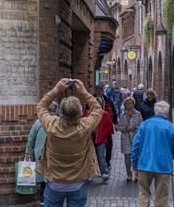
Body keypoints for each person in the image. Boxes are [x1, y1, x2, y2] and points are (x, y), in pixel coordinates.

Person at [36, 78, 102, 207]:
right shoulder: (85, 127)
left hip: (54, 183)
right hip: (77, 184)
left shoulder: (51, 126)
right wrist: (83, 91)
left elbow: (41, 106)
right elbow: (97, 109)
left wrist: (56, 90)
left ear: (61, 111)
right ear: (80, 112)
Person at [131, 100, 174, 207]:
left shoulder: (145, 124)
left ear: (155, 111)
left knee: (144, 193)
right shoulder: (170, 126)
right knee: (162, 196)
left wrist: (134, 163)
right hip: (163, 165)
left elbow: (136, 145)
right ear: (167, 113)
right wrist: (169, 156)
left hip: (144, 164)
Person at [25, 101, 60, 205]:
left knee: (43, 176)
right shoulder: (59, 122)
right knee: (52, 177)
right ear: (57, 110)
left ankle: (43, 200)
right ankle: (50, 199)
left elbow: (31, 138)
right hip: (54, 152)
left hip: (40, 152)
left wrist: (28, 152)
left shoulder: (39, 121)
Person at [116, 96, 143, 182]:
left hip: (135, 137)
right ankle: (129, 175)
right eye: (127, 103)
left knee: (136, 156)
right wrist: (125, 129)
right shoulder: (122, 115)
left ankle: (137, 174)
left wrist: (135, 128)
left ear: (133, 104)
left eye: (130, 103)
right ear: (124, 105)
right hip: (125, 138)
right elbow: (119, 127)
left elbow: (142, 126)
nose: (129, 105)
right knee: (127, 157)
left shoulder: (138, 114)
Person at [95, 84, 118, 171]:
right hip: (96, 127)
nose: (98, 91)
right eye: (97, 90)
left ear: (102, 90)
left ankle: (107, 161)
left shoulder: (108, 100)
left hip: (106, 127)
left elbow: (114, 112)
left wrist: (115, 123)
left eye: (100, 90)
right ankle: (97, 164)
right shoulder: (91, 100)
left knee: (108, 146)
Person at [93, 98, 113, 182]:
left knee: (101, 156)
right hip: (90, 139)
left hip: (101, 139)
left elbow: (110, 128)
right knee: (90, 157)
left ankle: (103, 173)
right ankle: (91, 173)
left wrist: (103, 134)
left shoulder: (104, 114)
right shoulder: (88, 113)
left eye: (98, 104)